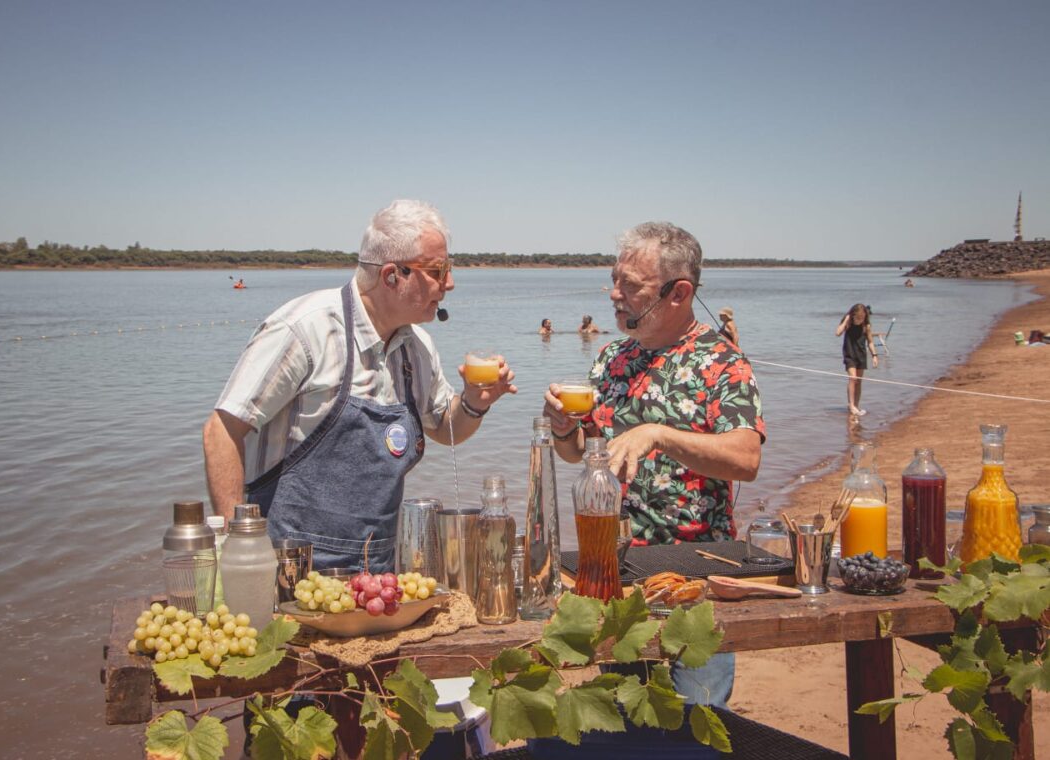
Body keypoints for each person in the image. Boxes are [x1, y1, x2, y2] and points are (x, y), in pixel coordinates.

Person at [203, 200, 517, 572]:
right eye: (437, 271)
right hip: (282, 571)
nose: (449, 283)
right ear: (391, 276)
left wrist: (474, 403)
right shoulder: (303, 330)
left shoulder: (417, 348)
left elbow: (445, 429)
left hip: (377, 574)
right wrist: (239, 549)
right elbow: (221, 431)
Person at [542, 220, 764, 709]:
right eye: (613, 279)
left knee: (696, 722)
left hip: (696, 581)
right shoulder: (610, 359)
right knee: (626, 717)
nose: (614, 294)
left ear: (679, 292)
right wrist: (563, 430)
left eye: (629, 285)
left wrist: (658, 435)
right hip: (616, 578)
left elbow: (746, 460)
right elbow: (583, 452)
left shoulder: (722, 362)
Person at [835, 303, 878, 416]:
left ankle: (856, 406)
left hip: (861, 355)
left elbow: (870, 342)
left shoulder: (866, 325)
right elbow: (838, 333)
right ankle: (851, 405)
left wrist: (874, 356)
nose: (860, 319)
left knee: (858, 382)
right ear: (853, 315)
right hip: (849, 354)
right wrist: (846, 320)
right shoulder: (848, 322)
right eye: (858, 317)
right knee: (853, 379)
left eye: (862, 317)